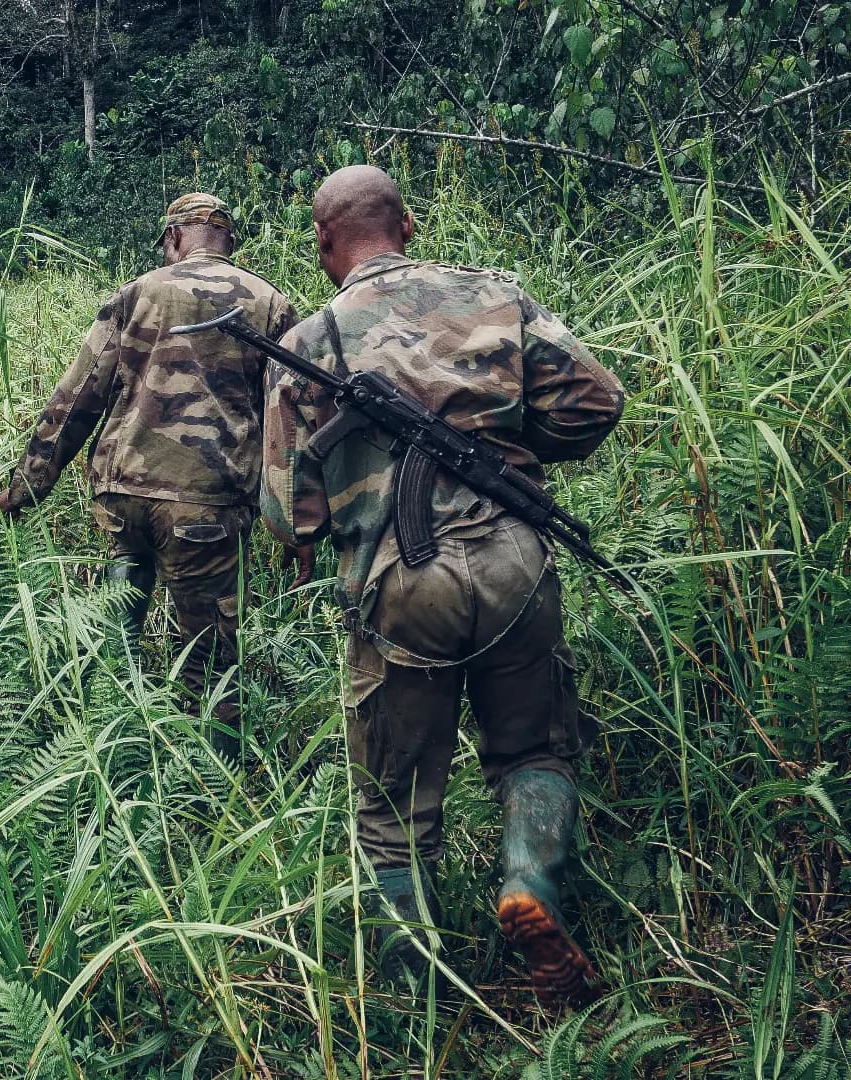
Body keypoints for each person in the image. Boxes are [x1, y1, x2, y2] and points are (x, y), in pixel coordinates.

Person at [261, 165, 624, 1011]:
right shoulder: (498, 296)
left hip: (400, 581)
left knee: (393, 802)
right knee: (535, 751)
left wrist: (345, 501)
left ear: (323, 243)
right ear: (409, 223)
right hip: (515, 562)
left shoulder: (313, 338)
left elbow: (285, 514)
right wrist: (507, 456)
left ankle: (415, 990)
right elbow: (596, 402)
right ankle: (529, 879)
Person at [0, 193, 306, 760]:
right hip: (204, 507)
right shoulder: (269, 303)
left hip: (122, 496)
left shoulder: (137, 293)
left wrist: (23, 489)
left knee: (114, 638)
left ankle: (106, 760)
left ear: (173, 239)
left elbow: (77, 397)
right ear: (227, 242)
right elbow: (295, 415)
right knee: (210, 659)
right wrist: (297, 516)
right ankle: (214, 790)